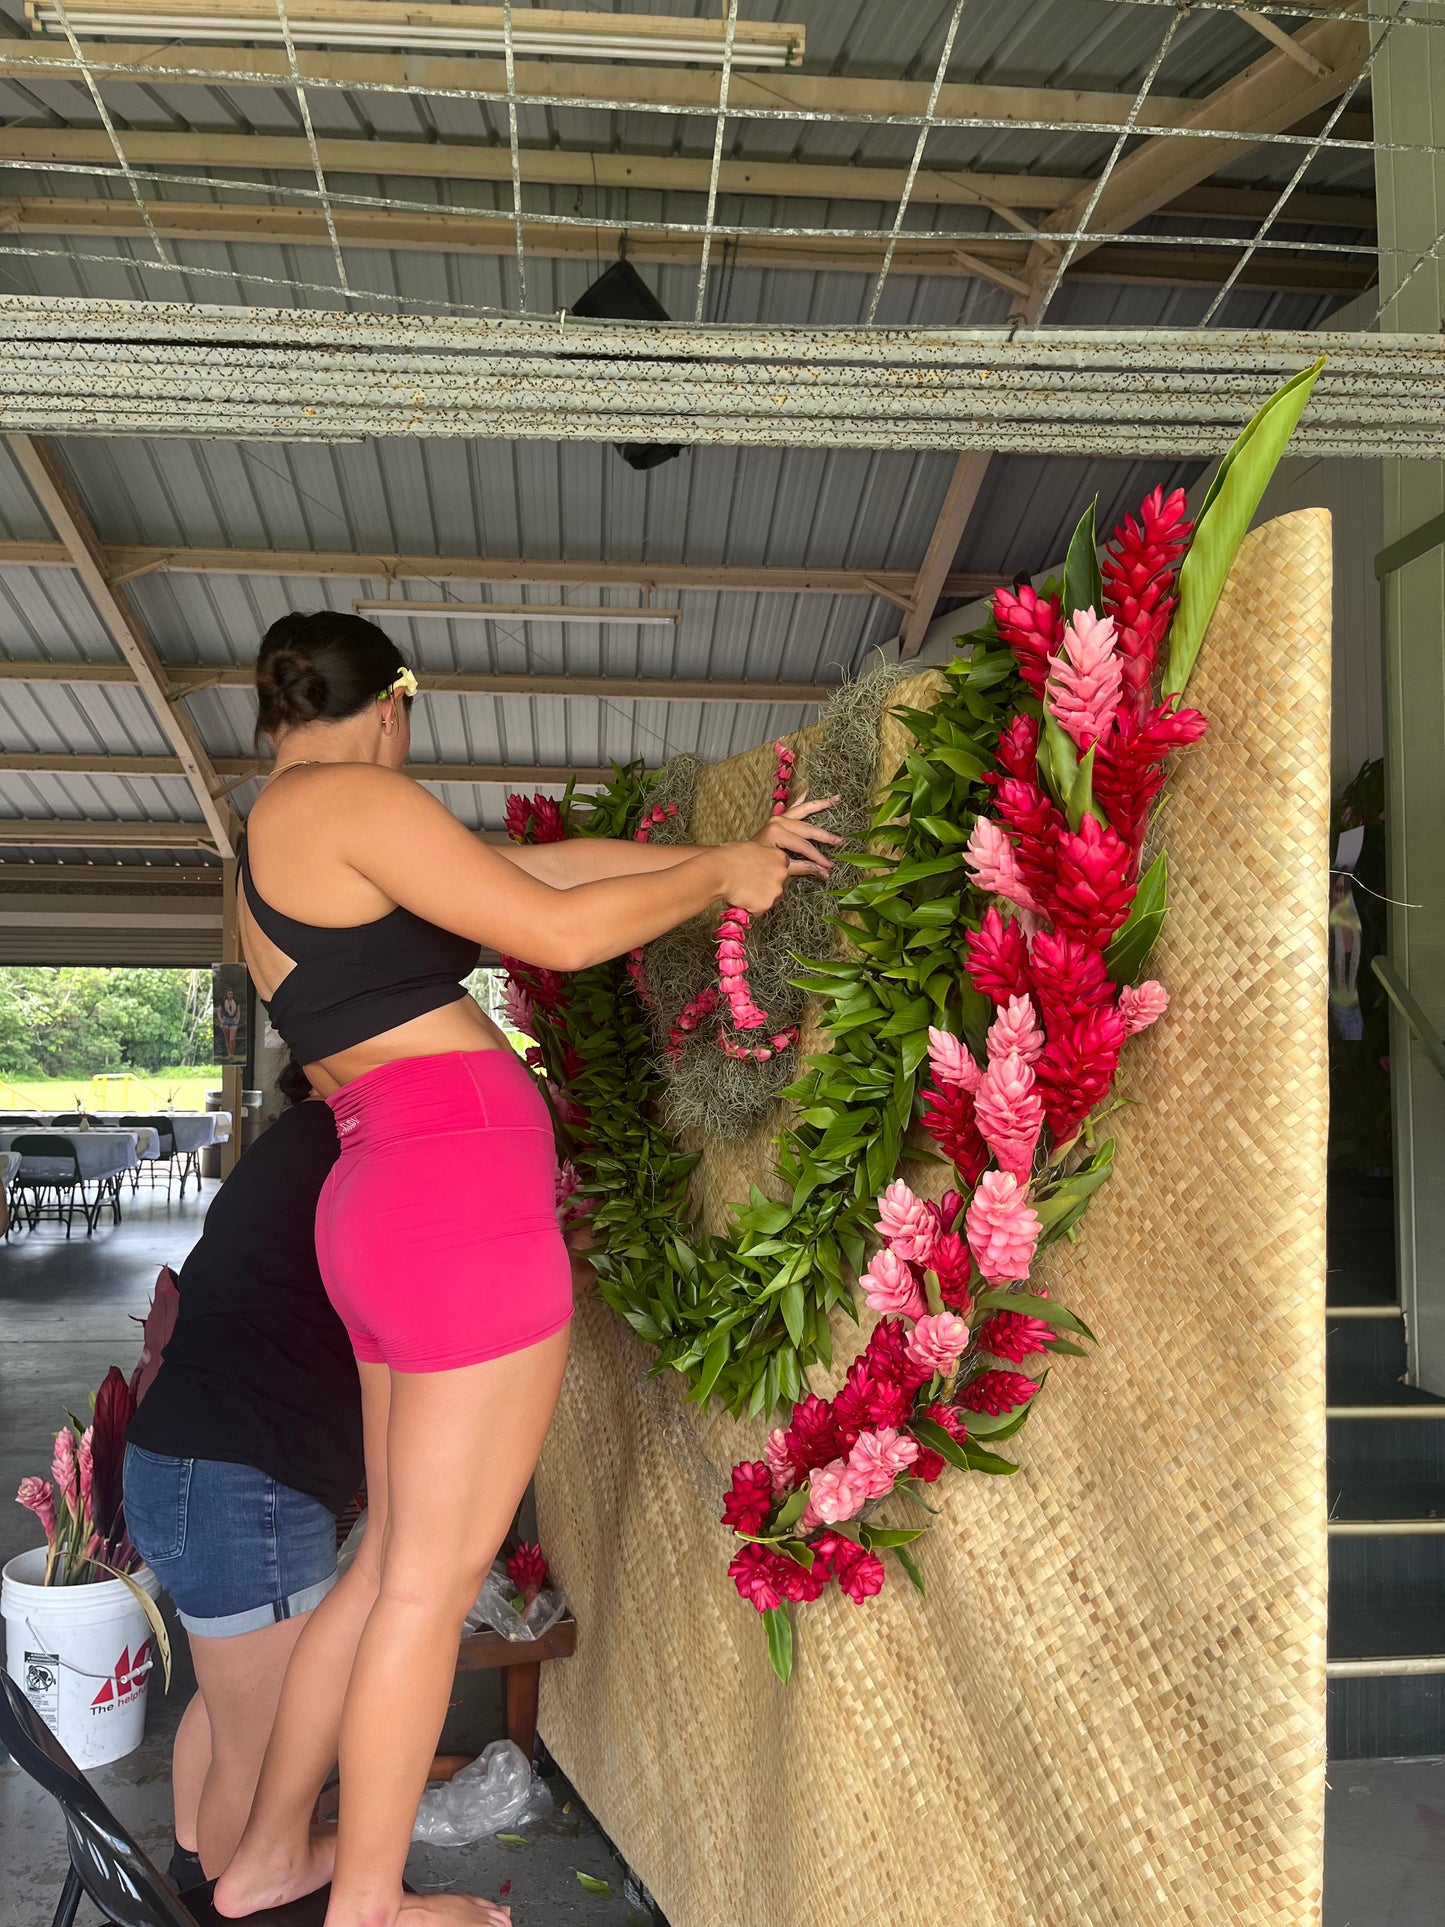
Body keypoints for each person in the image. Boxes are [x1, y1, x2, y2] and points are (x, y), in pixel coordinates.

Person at [211, 611, 839, 1927]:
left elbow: (532, 867)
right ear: (394, 705)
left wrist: (715, 852)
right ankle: (370, 1901)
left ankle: (272, 1851)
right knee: (429, 1584)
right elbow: (551, 933)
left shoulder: (286, 824)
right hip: (451, 1200)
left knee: (393, 1567)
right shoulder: (353, 797)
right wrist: (724, 876)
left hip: (386, 1194)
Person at [123, 1058, 357, 1885]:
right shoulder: (352, 1144)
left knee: (229, 1710)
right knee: (260, 1761)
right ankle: (234, 1880)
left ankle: (196, 1858)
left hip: (183, 1464)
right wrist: (359, 1863)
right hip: (240, 1485)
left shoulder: (298, 1143)